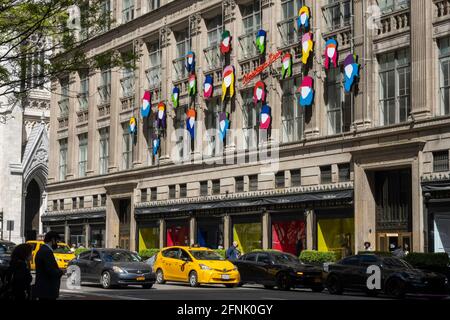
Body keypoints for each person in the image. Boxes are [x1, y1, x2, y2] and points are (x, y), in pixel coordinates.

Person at [33, 231, 64, 300]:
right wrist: (61, 272)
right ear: (53, 240)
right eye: (57, 241)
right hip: (47, 290)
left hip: (44, 289)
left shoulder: (42, 250)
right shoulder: (47, 252)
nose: (57, 244)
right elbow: (51, 270)